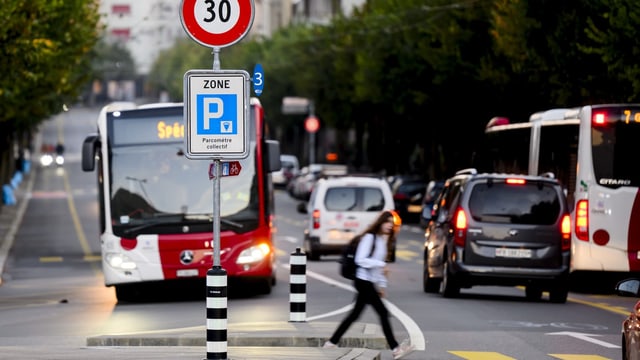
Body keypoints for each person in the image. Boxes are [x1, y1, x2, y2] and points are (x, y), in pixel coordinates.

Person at [322, 210, 415, 359]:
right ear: (380, 222)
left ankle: (331, 342)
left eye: (392, 224)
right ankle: (396, 348)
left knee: (355, 314)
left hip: (369, 282)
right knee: (382, 313)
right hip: (362, 281)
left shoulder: (382, 241)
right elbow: (360, 260)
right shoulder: (369, 238)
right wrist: (380, 264)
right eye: (387, 222)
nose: (389, 226)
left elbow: (380, 269)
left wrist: (382, 285)